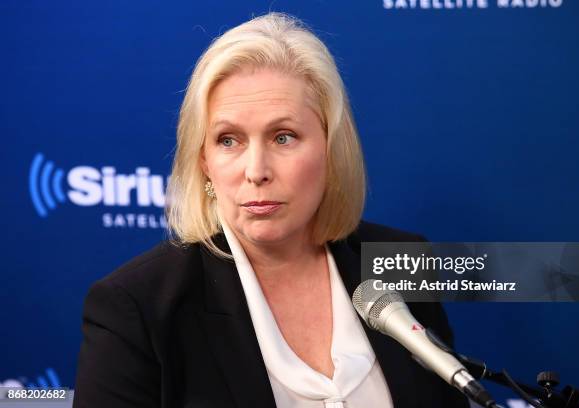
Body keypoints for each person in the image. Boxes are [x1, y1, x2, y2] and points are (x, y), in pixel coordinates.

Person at [74, 12, 469, 408]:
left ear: (331, 150)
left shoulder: (401, 259)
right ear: (204, 161)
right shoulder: (137, 307)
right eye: (229, 140)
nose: (256, 171)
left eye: (284, 137)